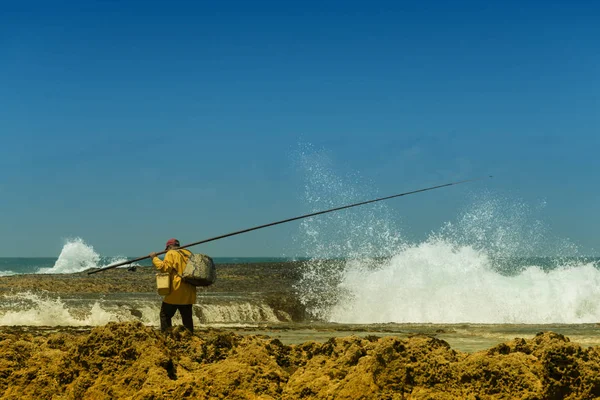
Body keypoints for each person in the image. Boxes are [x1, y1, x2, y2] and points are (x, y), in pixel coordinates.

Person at [150, 238, 196, 333]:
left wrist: (154, 258)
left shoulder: (171, 253)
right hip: (189, 290)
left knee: (165, 315)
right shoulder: (188, 253)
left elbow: (164, 268)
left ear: (169, 246)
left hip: (176, 290)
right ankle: (190, 337)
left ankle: (167, 336)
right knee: (187, 317)